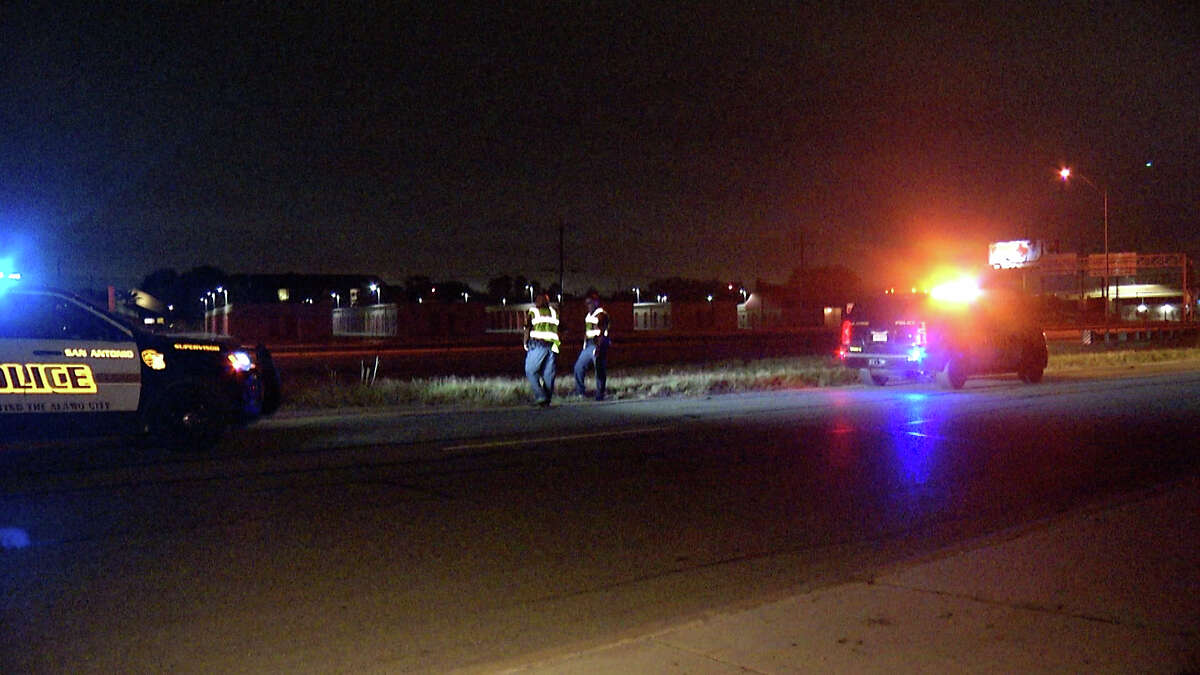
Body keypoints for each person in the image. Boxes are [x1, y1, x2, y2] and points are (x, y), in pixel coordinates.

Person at [523, 293, 560, 407]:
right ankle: (547, 400)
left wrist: (525, 342)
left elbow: (527, 327)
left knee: (530, 370)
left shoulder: (534, 312)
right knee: (548, 374)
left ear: (538, 301)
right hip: (552, 346)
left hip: (538, 344)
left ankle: (541, 396)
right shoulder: (554, 312)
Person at [573, 291, 611, 400]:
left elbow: (602, 333)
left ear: (596, 302)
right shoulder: (589, 315)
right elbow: (587, 331)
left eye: (590, 303)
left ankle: (600, 394)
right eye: (587, 303)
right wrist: (585, 344)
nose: (588, 306)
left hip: (598, 344)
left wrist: (598, 347)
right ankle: (580, 392)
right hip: (589, 345)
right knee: (578, 367)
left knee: (599, 369)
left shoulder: (601, 315)